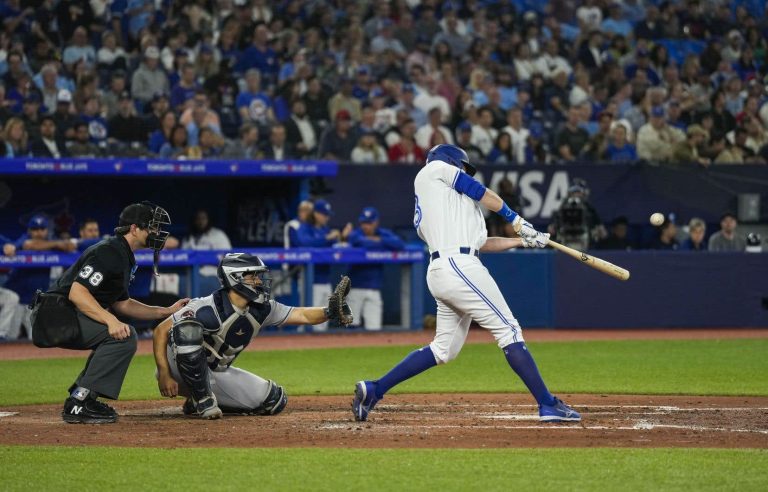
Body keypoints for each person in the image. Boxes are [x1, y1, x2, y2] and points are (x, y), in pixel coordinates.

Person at [352, 144, 580, 423]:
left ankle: (374, 389)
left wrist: (523, 239)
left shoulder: (454, 205)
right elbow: (482, 193)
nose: (463, 172)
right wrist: (517, 219)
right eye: (461, 166)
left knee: (443, 349)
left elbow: (482, 243)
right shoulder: (433, 170)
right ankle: (547, 404)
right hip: (458, 266)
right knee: (509, 330)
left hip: (446, 269)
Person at [29, 202, 187, 424]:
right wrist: (110, 320)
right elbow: (78, 292)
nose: (157, 233)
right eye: (152, 227)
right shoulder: (109, 251)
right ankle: (80, 402)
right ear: (134, 229)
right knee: (123, 337)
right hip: (55, 316)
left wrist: (166, 311)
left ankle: (82, 396)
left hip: (64, 314)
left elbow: (123, 304)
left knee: (118, 335)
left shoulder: (122, 253)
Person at [153, 253, 352, 418]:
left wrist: (330, 311)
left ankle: (199, 398)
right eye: (253, 276)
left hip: (215, 373)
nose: (259, 281)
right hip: (176, 370)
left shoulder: (262, 309)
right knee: (187, 328)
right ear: (235, 278)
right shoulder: (205, 305)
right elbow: (161, 330)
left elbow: (302, 314)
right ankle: (204, 401)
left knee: (274, 400)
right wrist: (163, 372)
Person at [292, 199, 352, 331]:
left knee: (324, 319)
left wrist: (342, 238)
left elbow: (335, 249)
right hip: (310, 281)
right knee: (307, 319)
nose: (327, 217)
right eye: (324, 214)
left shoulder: (325, 229)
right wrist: (326, 238)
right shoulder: (305, 227)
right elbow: (304, 243)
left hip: (325, 279)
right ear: (316, 214)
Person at [346, 207, 404, 330]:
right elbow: (359, 242)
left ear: (376, 222)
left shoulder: (382, 233)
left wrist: (380, 240)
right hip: (355, 288)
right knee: (351, 327)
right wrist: (380, 244)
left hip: (374, 288)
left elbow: (399, 244)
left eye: (369, 223)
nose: (366, 226)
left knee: (374, 329)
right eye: (364, 223)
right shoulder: (356, 234)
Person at [181, 210, 232, 293]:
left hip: (212, 276)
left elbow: (228, 258)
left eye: (203, 218)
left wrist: (205, 259)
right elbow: (182, 259)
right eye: (198, 219)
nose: (201, 222)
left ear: (209, 220)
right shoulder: (188, 238)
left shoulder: (218, 235)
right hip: (191, 277)